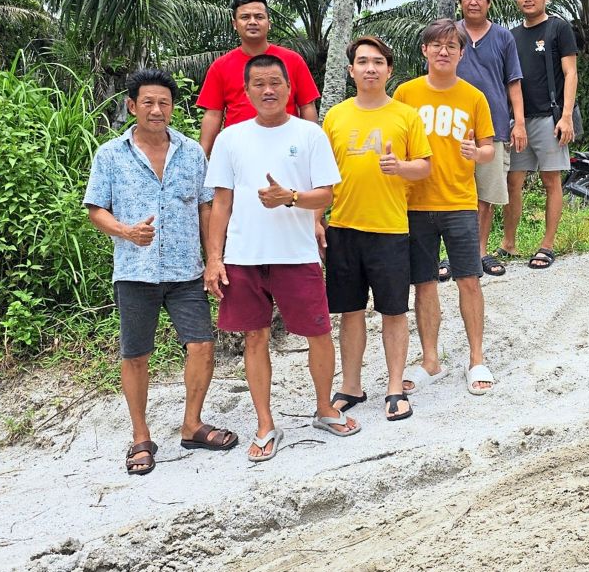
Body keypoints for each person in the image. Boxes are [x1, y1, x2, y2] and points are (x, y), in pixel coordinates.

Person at [203, 54, 358, 464]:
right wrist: (214, 259)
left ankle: (325, 408)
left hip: (296, 253)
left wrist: (289, 197)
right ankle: (265, 423)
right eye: (259, 84)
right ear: (247, 91)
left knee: (318, 333)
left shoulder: (309, 135)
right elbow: (221, 202)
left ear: (289, 89)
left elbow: (326, 194)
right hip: (243, 256)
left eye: (275, 82)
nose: (268, 90)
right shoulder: (230, 138)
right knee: (254, 337)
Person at [84, 69, 237, 476]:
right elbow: (96, 208)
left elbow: (206, 207)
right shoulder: (110, 155)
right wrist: (126, 232)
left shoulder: (191, 152)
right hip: (135, 271)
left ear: (173, 107)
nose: (156, 110)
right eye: (148, 102)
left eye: (164, 103)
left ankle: (192, 425)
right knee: (136, 355)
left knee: (202, 345)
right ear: (132, 106)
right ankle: (140, 437)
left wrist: (213, 258)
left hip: (186, 270)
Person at [321, 36, 433, 421]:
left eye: (379, 62)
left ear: (389, 70)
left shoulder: (405, 116)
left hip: (389, 229)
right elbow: (322, 177)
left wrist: (401, 168)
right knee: (349, 312)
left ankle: (394, 386)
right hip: (344, 228)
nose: (371, 68)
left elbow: (425, 166)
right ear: (350, 69)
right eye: (363, 61)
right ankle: (351, 385)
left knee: (393, 311)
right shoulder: (335, 116)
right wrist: (316, 222)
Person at [393, 19, 497, 396]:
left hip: (458, 202)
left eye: (451, 46)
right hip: (414, 203)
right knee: (423, 283)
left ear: (461, 53)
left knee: (468, 279)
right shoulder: (404, 94)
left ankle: (476, 357)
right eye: (436, 45)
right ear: (424, 50)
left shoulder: (474, 96)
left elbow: (488, 147)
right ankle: (430, 360)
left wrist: (477, 152)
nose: (443, 51)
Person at [502, 0, 579, 270]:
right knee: (513, 181)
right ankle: (508, 243)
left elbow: (571, 73)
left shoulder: (558, 28)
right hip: (518, 120)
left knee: (551, 180)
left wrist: (567, 116)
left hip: (550, 117)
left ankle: (547, 245)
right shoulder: (510, 36)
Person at [453, 0, 526, 278]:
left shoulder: (503, 37)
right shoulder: (449, 34)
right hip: (453, 128)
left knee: (486, 195)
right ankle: (453, 255)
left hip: (493, 127)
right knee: (454, 194)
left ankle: (480, 253)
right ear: (460, 1)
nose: (473, 1)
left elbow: (513, 81)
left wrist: (518, 122)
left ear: (489, 2)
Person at [196, 0, 320, 157]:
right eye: (245, 17)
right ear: (235, 23)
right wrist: (202, 158)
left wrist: (312, 150)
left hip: (288, 151)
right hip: (239, 152)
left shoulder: (293, 60)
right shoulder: (220, 66)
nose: (252, 22)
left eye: (259, 17)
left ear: (269, 22)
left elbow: (307, 106)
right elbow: (213, 114)